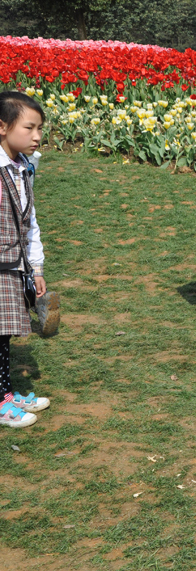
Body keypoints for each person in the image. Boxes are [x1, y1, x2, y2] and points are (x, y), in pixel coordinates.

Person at [0, 91, 55, 426]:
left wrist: (35, 267)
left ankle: (4, 394)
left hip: (12, 266)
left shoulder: (22, 168)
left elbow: (29, 221)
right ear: (2, 127)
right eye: (30, 128)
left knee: (2, 334)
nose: (37, 137)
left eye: (40, 129)